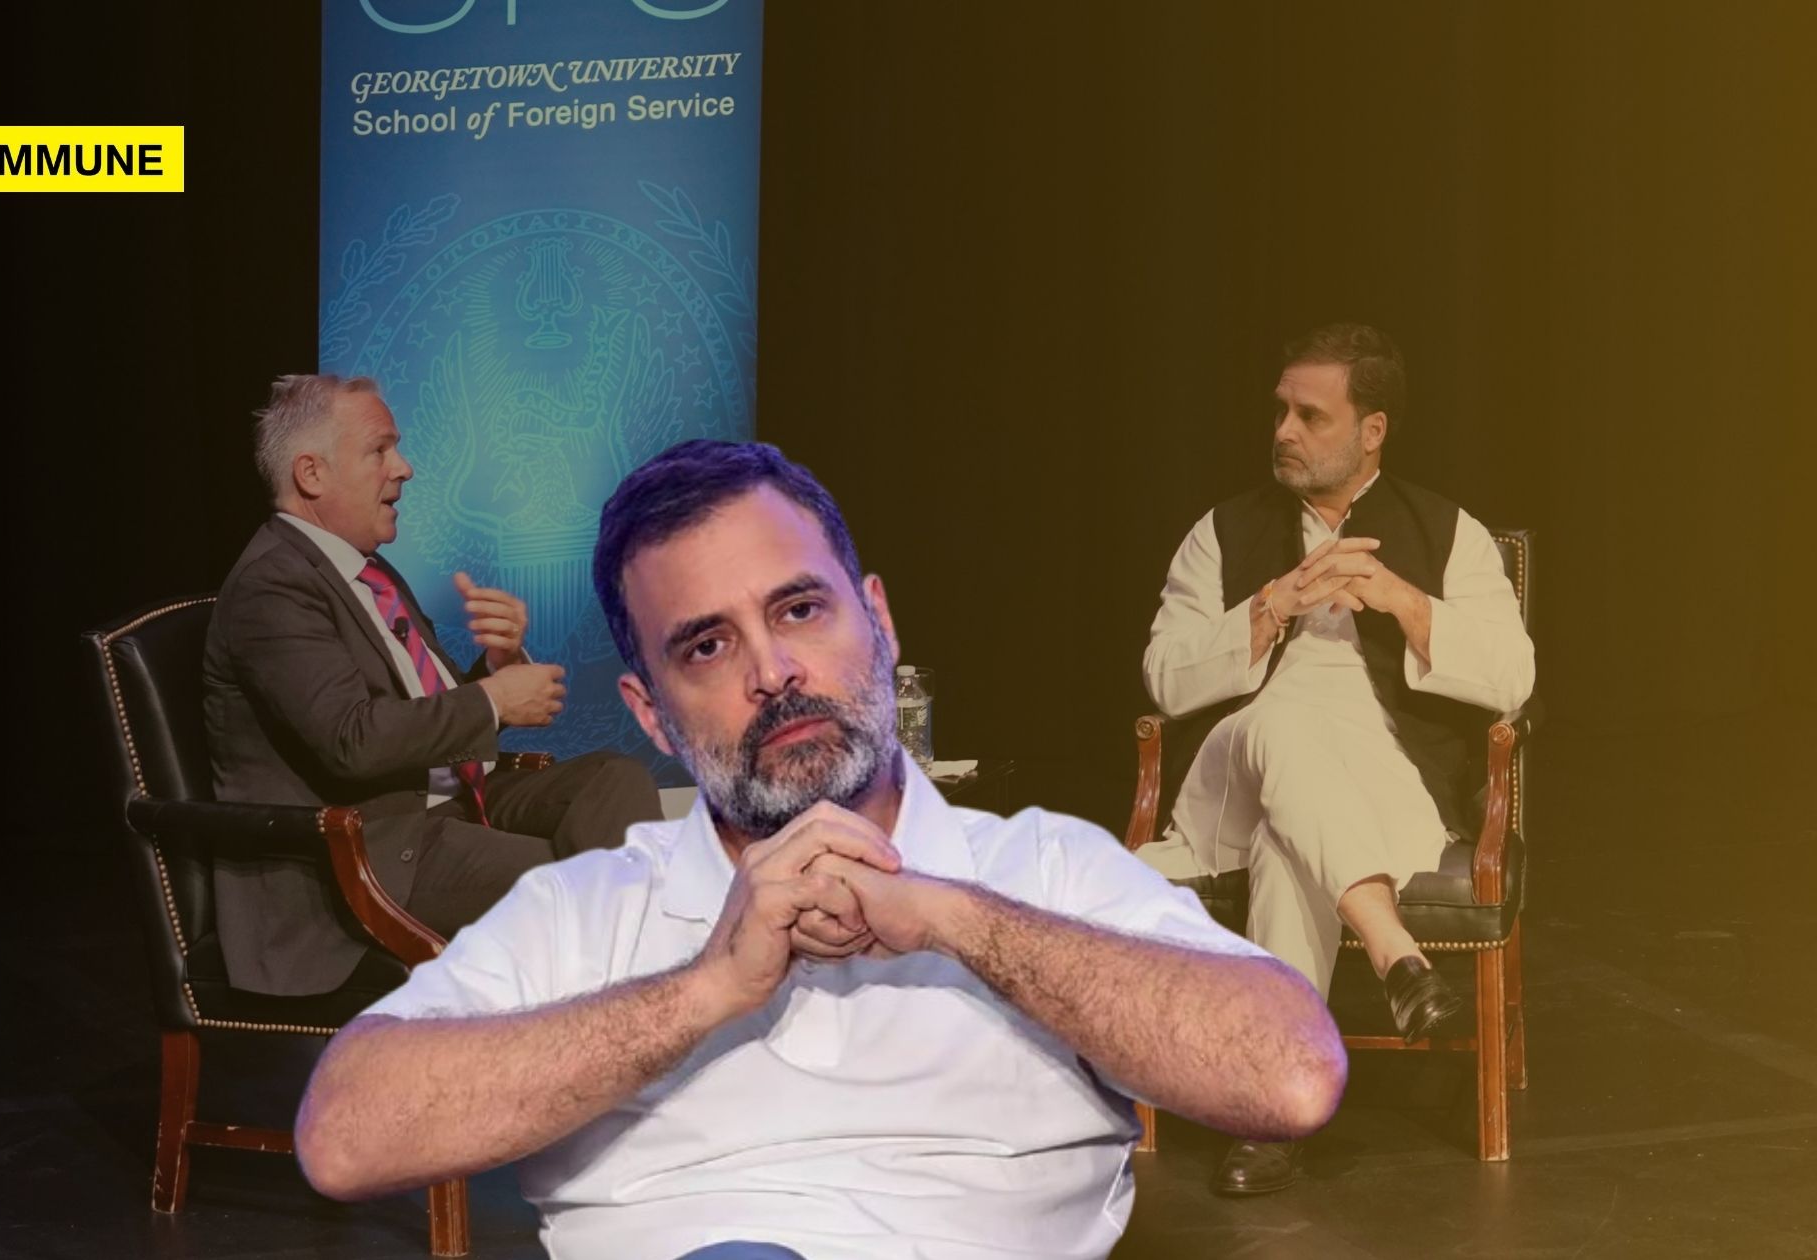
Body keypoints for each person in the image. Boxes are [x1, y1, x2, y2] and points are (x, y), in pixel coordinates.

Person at [293, 439, 1347, 1260]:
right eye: (707, 646)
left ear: (877, 620)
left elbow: (1291, 1075)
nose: (773, 672)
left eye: (799, 609)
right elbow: (345, 1137)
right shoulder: (586, 911)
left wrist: (950, 916)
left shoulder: (1043, 872)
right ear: (651, 713)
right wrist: (705, 989)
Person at [1137, 324, 1536, 1194]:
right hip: (1234, 778)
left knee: (1292, 844)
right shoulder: (1222, 533)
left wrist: (1401, 600)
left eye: (1310, 416)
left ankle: (1274, 1112)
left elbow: (1513, 680)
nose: (1283, 430)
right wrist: (1273, 605)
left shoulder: (1449, 533)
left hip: (1382, 780)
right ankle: (1396, 952)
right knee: (1281, 727)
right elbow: (1165, 678)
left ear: (1372, 430)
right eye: (1280, 411)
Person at [201, 374, 661, 998]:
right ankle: (637, 1013)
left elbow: (418, 712)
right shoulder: (273, 586)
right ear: (311, 473)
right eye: (380, 450)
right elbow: (354, 740)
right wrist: (494, 701)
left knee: (614, 781)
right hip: (371, 849)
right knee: (576, 890)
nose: (405, 468)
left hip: (447, 803)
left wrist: (496, 666)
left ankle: (630, 998)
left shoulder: (367, 572)